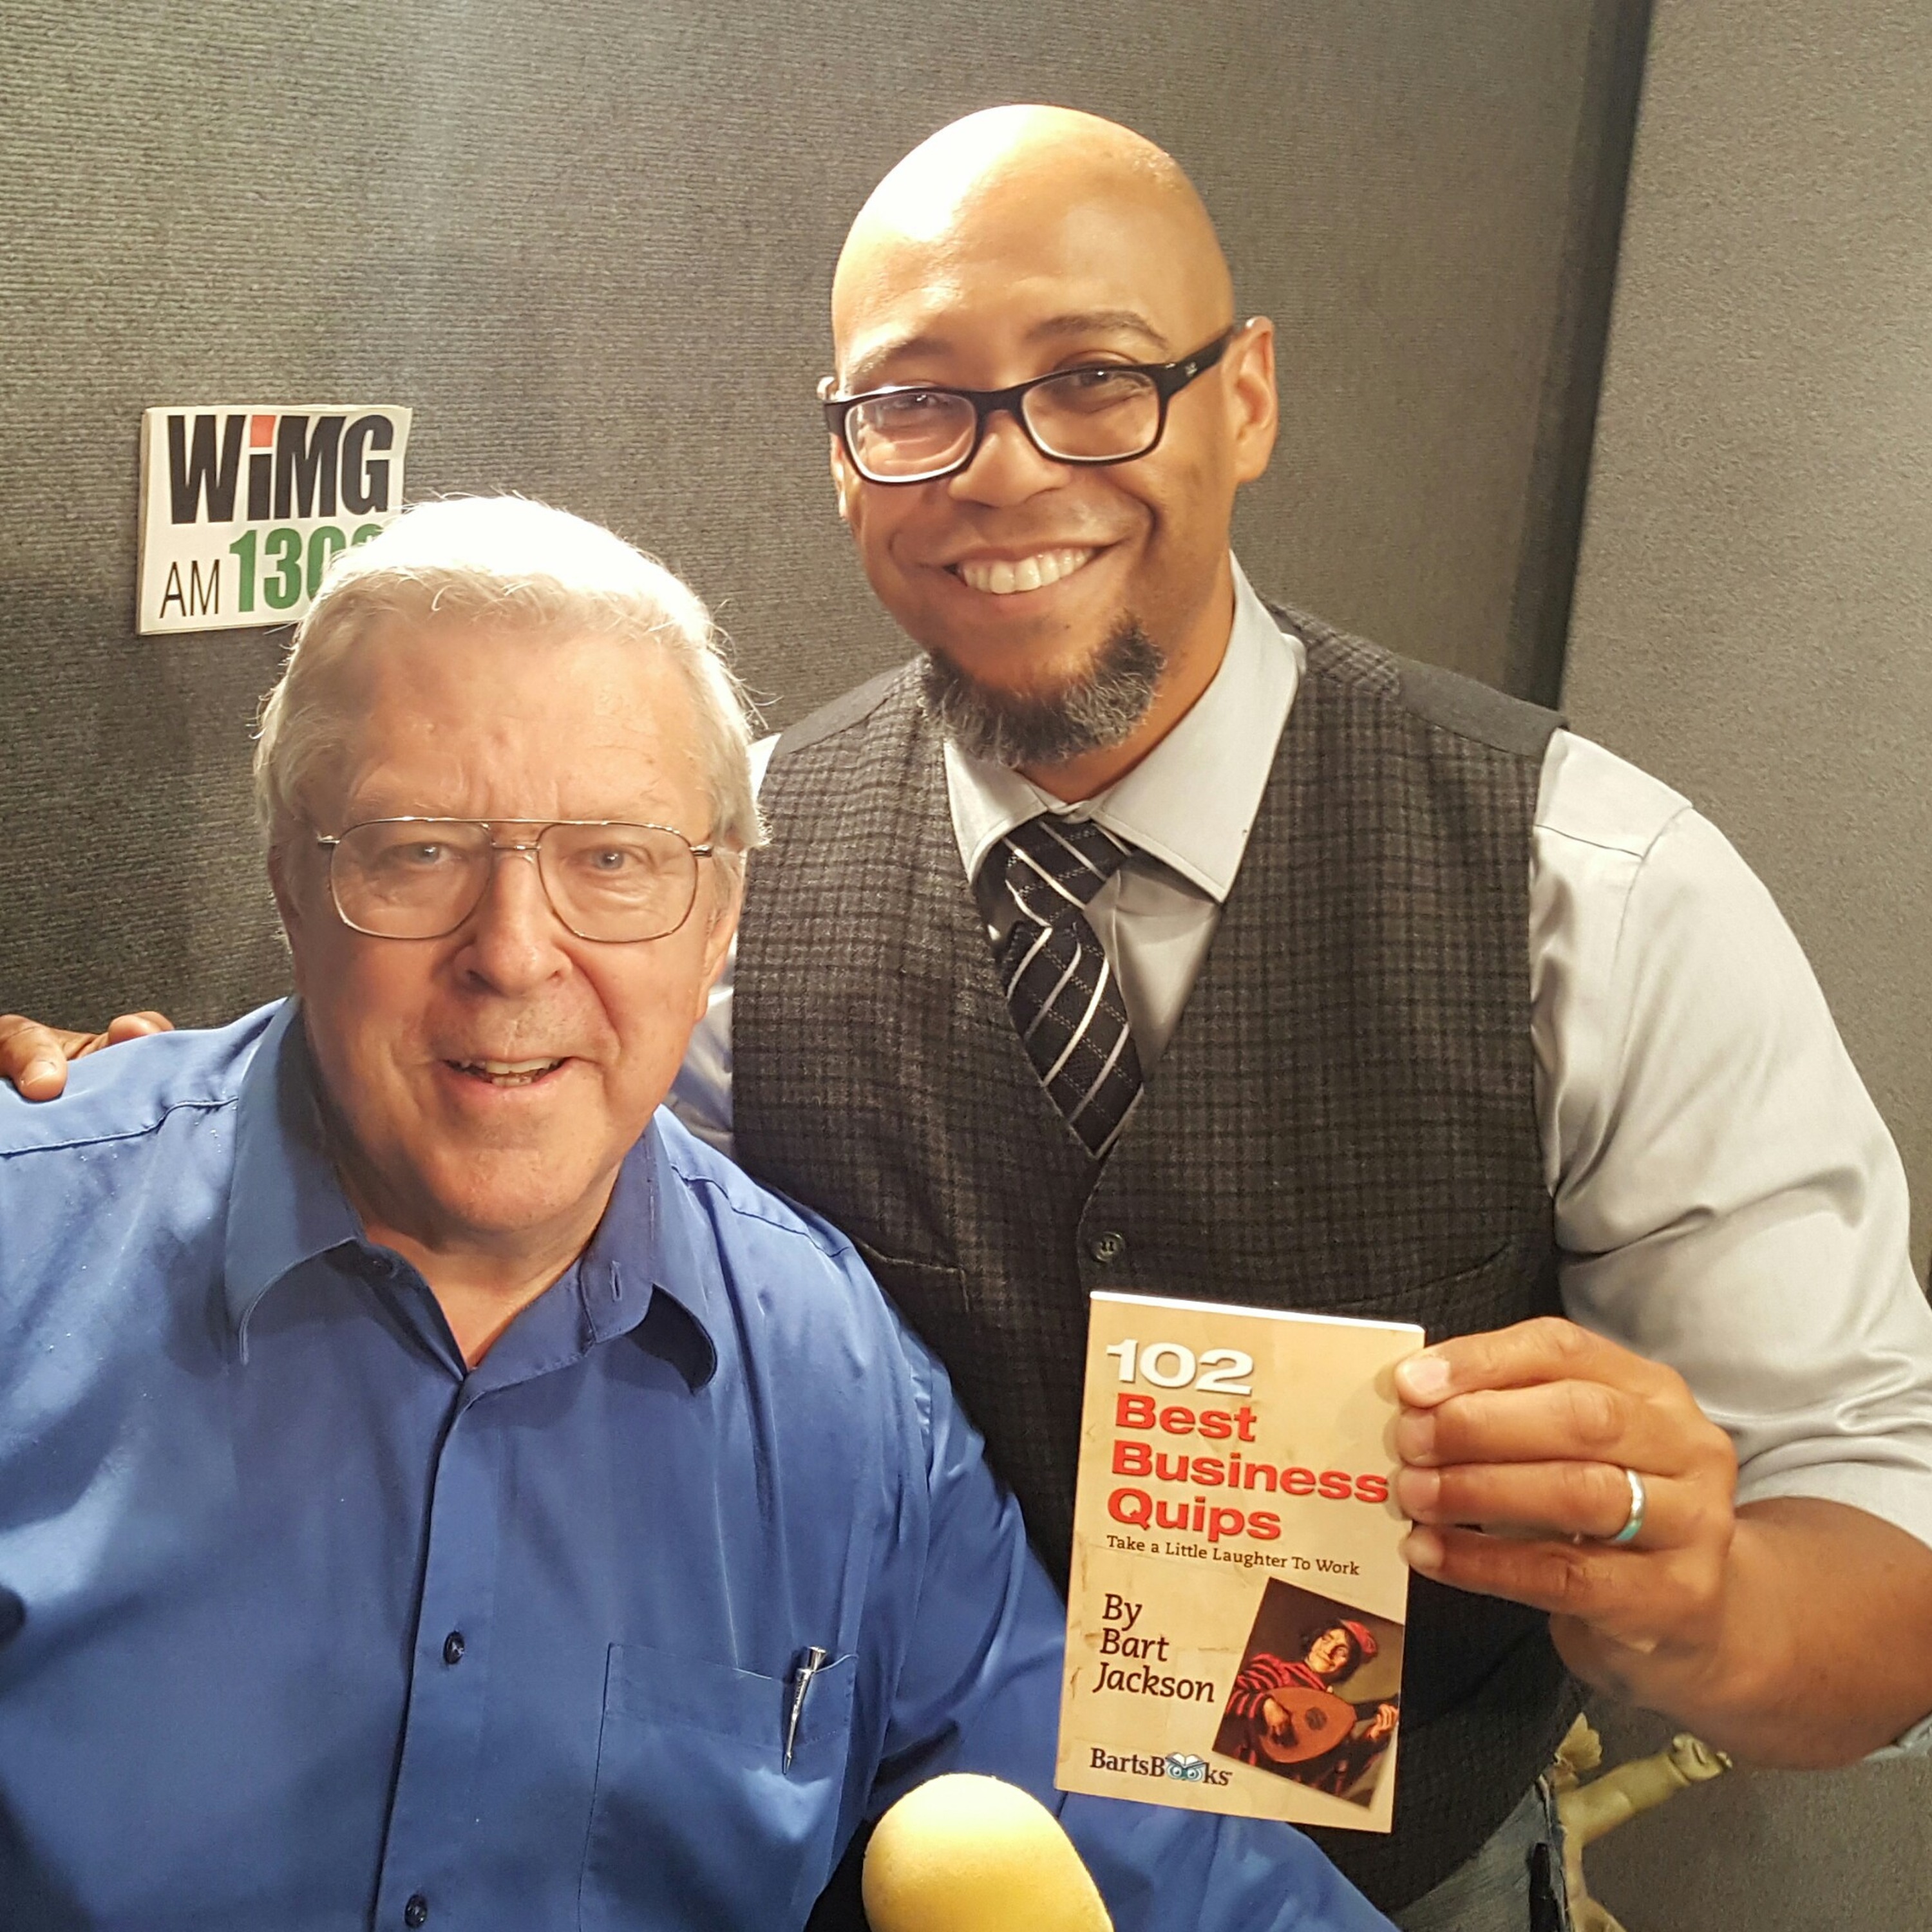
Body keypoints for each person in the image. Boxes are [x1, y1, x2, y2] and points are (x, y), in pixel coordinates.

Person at [8, 105, 1932, 1929]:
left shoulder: (1586, 892)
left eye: (1094, 374)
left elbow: (1886, 1566)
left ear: (1246, 393)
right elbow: (478, 1073)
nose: (1004, 466)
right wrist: (136, 1133)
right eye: (920, 399)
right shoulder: (726, 869)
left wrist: (1701, 1611)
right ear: (846, 455)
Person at [0, 497, 1390, 1932]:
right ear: (293, 882)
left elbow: (1163, 1863)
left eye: (615, 860)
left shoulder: (839, 1385)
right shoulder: (26, 1254)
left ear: (721, 916)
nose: (515, 953)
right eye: (417, 850)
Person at [1223, 1623, 1401, 1799]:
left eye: (1342, 1652)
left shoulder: (1336, 1720)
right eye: (1326, 1639)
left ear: (1348, 1666)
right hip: (1238, 1785)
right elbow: (1223, 1698)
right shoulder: (1275, 1672)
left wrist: (1371, 1739)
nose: (1328, 1650)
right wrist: (1265, 1705)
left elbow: (1330, 1789)